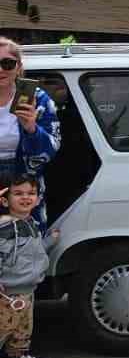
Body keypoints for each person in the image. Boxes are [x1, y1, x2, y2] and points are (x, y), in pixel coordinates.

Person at [0, 37, 59, 227]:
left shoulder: (37, 98)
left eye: (7, 64)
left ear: (18, 67)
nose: (1, 69)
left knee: (23, 240)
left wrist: (31, 129)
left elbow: (50, 151)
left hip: (22, 181)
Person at [0, 176, 56, 358]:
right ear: (5, 201)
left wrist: (49, 241)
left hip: (27, 289)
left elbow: (34, 251)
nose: (25, 197)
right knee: (4, 328)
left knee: (22, 330)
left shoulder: (30, 223)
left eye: (31, 193)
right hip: (8, 293)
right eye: (18, 193)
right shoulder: (5, 227)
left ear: (38, 199)